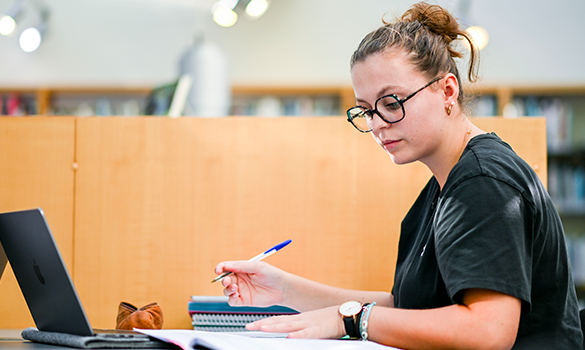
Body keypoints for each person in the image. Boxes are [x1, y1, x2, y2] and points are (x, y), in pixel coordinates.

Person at [213, 2, 583, 349]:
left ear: (447, 91)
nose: (377, 124)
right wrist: (285, 290)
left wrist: (355, 321)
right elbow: (409, 307)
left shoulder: (482, 181)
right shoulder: (444, 185)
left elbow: (489, 330)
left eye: (392, 103)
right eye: (366, 111)